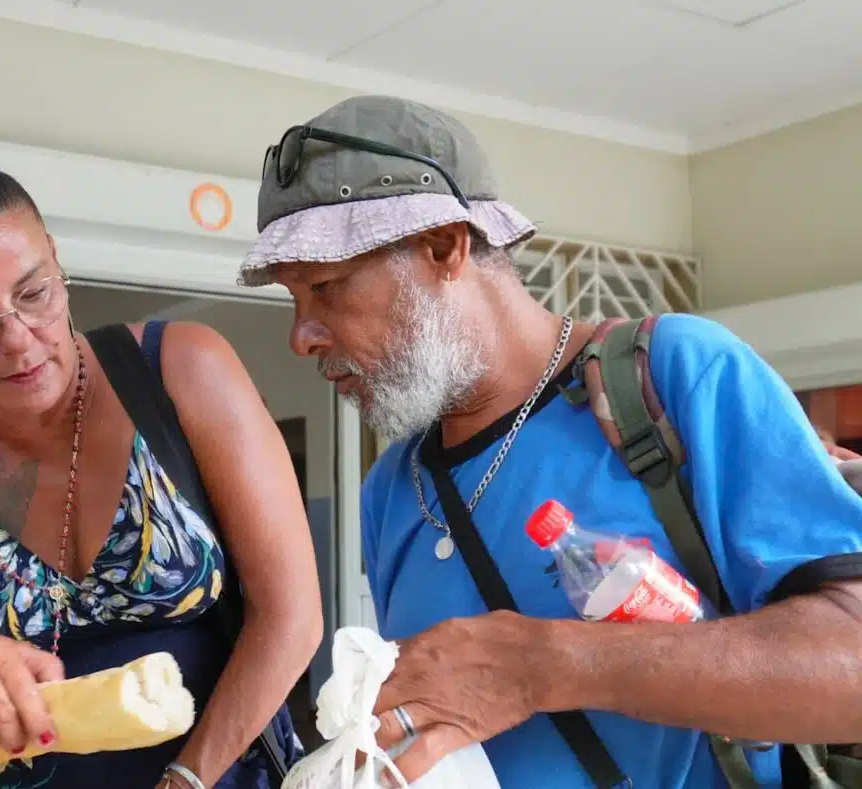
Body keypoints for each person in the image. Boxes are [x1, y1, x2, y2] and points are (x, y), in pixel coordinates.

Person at [237, 94, 862, 788]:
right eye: (293, 300)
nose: (301, 336)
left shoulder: (672, 374)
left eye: (325, 287)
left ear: (444, 245)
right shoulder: (392, 489)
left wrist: (544, 665)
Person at [0, 131, 322, 789]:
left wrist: (188, 778)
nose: (19, 340)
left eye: (34, 292)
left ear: (56, 263)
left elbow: (291, 617)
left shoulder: (179, 369)